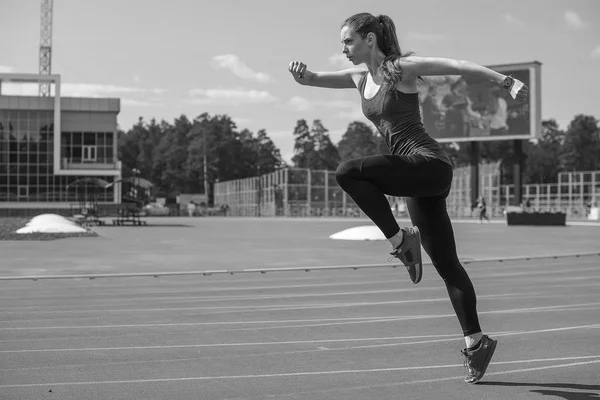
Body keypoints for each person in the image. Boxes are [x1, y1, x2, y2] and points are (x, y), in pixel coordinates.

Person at [288, 12, 528, 384]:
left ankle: (401, 240)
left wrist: (505, 80)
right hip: (417, 177)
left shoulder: (400, 68)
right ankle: (476, 342)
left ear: (370, 39)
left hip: (429, 164)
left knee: (348, 171)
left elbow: (457, 65)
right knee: (447, 265)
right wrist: (302, 75)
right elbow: (316, 78)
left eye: (348, 41)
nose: (344, 49)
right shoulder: (358, 77)